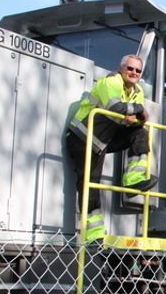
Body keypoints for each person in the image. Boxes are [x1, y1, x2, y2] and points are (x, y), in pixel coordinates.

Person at [66, 54, 157, 242]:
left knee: (140, 133)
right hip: (83, 138)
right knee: (90, 183)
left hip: (102, 140)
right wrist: (138, 110)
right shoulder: (110, 82)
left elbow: (136, 119)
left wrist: (135, 114)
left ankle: (133, 181)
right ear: (121, 69)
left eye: (138, 71)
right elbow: (116, 107)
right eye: (130, 68)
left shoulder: (137, 92)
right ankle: (93, 234)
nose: (134, 73)